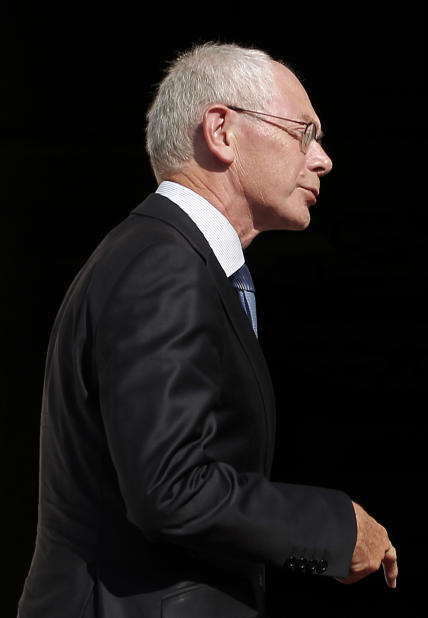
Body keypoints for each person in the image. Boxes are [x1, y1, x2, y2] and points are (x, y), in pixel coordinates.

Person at [19, 43, 398, 617]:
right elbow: (170, 488)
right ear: (221, 131)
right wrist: (332, 534)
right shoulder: (162, 264)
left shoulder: (161, 255)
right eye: (304, 133)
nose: (322, 158)